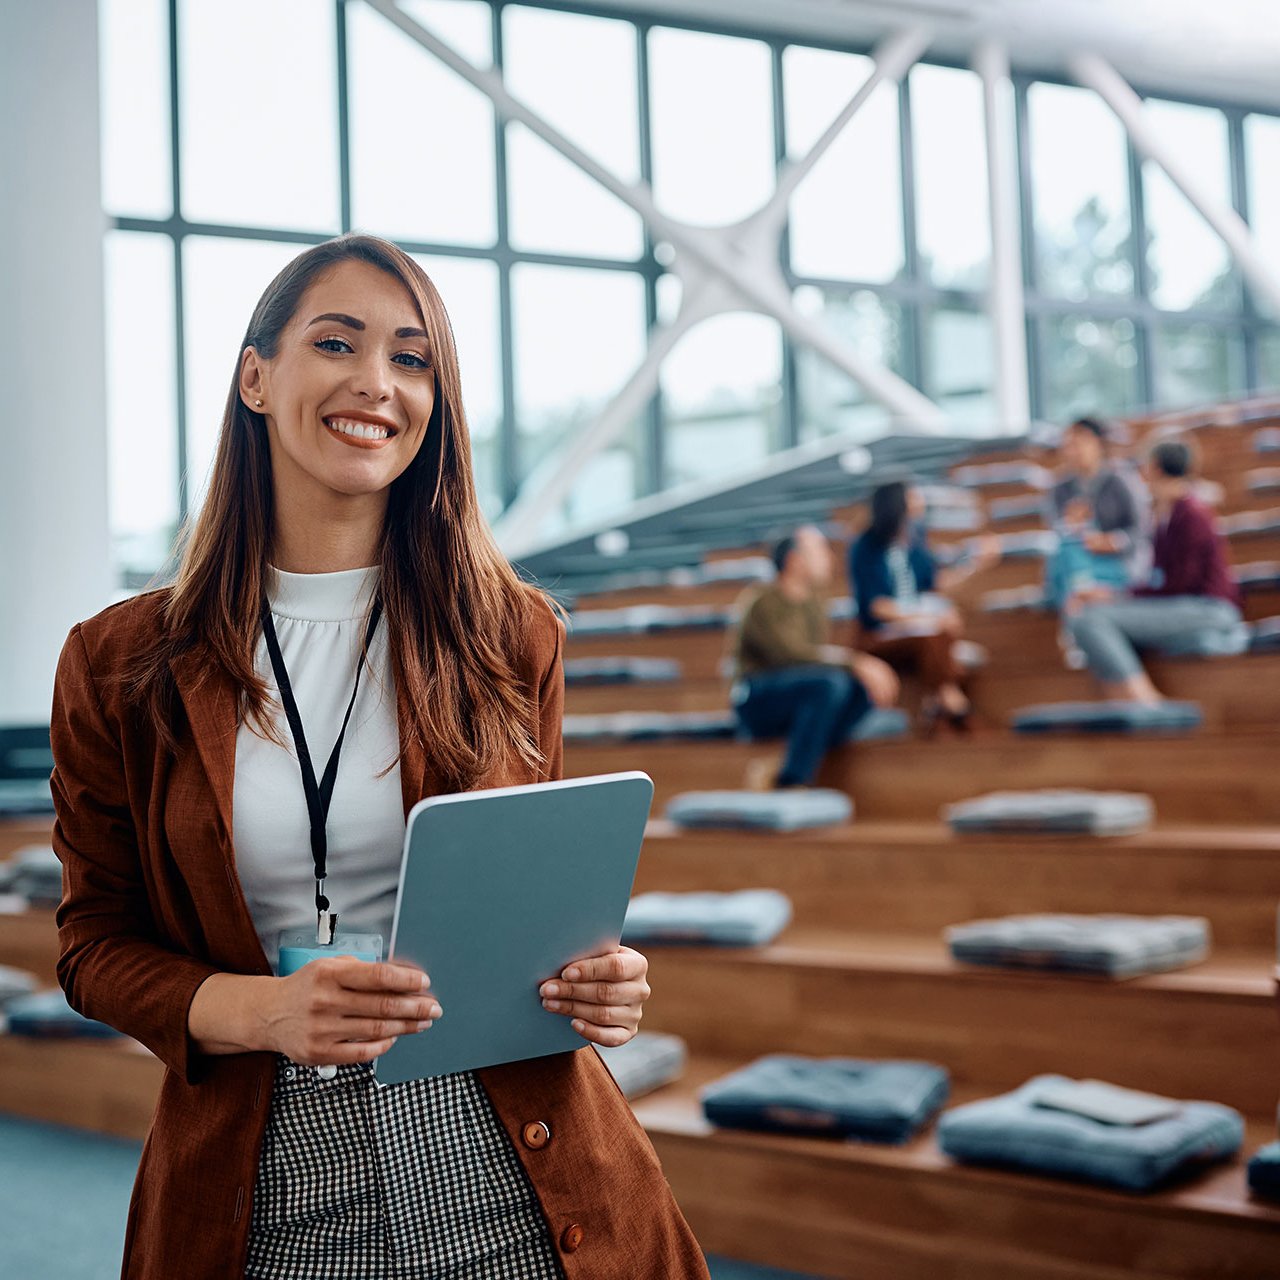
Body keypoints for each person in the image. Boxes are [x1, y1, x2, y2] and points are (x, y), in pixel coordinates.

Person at [48, 234, 708, 1280]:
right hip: (266, 1183)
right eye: (337, 342)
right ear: (255, 376)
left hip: (511, 1163)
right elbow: (91, 944)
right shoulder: (118, 660)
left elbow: (535, 897)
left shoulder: (511, 631)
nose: (375, 382)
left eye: (411, 358)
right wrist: (266, 1008)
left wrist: (602, 980)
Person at [1066, 437, 1243, 704]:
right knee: (1093, 618)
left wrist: (1117, 596)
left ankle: (1144, 702)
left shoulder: (1192, 513)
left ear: (1155, 468)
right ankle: (1122, 701)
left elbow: (1178, 585)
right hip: (1185, 605)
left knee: (1090, 620)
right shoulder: (1167, 513)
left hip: (1208, 609)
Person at [730, 525, 899, 788]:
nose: (828, 557)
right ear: (794, 560)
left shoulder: (814, 603)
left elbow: (812, 659)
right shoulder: (761, 601)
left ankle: (789, 760)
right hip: (756, 698)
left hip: (798, 696)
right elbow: (790, 654)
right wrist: (857, 662)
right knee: (829, 684)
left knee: (859, 690)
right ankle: (793, 780)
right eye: (819, 550)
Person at [848, 481, 998, 733]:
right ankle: (953, 704)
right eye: (912, 497)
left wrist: (975, 565)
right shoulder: (865, 547)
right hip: (879, 635)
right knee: (937, 640)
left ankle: (938, 710)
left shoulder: (915, 540)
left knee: (944, 635)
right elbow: (877, 607)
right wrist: (926, 618)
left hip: (917, 630)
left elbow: (936, 583)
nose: (919, 502)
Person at [1045, 416, 1150, 609]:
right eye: (1069, 445)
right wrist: (1071, 526)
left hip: (1120, 564)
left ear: (1098, 443)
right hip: (1078, 565)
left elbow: (1141, 531)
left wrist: (1113, 541)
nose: (1074, 451)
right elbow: (1057, 532)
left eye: (1080, 443)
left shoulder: (1121, 481)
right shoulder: (1061, 489)